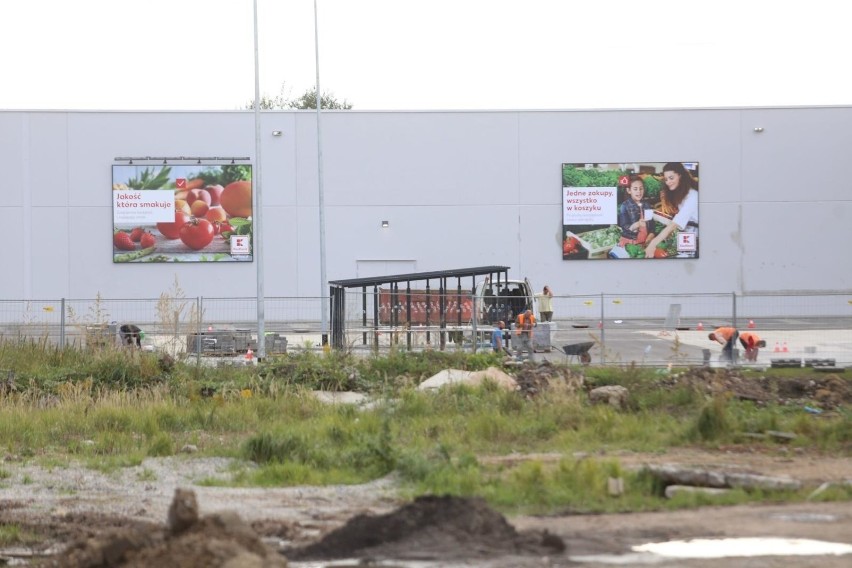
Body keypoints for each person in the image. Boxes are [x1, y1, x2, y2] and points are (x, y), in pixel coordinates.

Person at [644, 162, 698, 258]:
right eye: (666, 179)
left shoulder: (693, 196)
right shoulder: (682, 194)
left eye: (671, 178)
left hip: (696, 237)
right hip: (687, 234)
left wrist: (653, 244)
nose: (668, 182)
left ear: (680, 176)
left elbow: (674, 225)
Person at [617, 175, 656, 246]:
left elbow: (652, 224)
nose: (639, 192)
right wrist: (637, 224)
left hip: (645, 241)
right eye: (635, 189)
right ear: (629, 190)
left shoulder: (647, 205)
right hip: (631, 242)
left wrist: (651, 234)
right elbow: (625, 227)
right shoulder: (624, 206)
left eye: (641, 188)